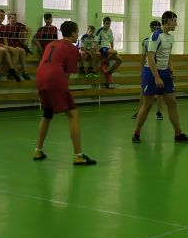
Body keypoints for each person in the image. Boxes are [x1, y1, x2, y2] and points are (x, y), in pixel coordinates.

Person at [33, 20, 96, 166]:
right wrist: (63, 92)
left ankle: (38, 150)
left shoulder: (51, 44)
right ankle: (78, 155)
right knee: (73, 114)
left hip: (40, 78)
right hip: (54, 78)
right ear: (73, 34)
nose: (78, 34)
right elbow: (66, 75)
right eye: (77, 32)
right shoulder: (72, 48)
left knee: (47, 114)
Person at [132, 11, 188, 144]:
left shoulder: (170, 38)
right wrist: (157, 77)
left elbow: (168, 57)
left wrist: (172, 69)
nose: (176, 24)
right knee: (147, 104)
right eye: (174, 21)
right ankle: (136, 133)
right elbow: (150, 57)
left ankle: (178, 134)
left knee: (172, 102)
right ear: (168, 21)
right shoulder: (156, 36)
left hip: (165, 72)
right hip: (151, 72)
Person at [132, 19, 163, 121]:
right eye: (154, 28)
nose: (156, 30)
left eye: (158, 28)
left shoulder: (164, 40)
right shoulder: (146, 40)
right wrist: (142, 71)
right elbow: (142, 57)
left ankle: (159, 112)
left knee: (160, 91)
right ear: (151, 29)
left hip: (160, 67)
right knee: (143, 90)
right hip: (148, 68)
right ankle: (140, 110)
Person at [96, 16, 122, 88]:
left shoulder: (110, 30)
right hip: (102, 48)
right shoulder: (99, 30)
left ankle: (110, 72)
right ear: (103, 23)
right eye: (107, 24)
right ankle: (104, 62)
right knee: (115, 52)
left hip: (108, 49)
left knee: (120, 60)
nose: (108, 25)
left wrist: (111, 52)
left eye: (109, 24)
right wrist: (97, 51)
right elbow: (95, 42)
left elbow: (111, 42)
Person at [7, 11, 31, 79]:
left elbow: (29, 29)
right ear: (9, 19)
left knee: (22, 51)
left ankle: (25, 72)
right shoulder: (6, 27)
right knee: (18, 51)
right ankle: (13, 72)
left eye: (15, 18)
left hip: (16, 44)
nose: (14, 19)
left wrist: (26, 40)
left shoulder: (18, 25)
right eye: (12, 18)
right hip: (9, 45)